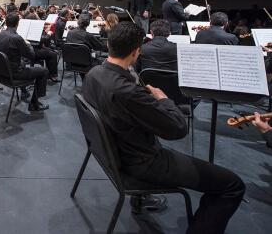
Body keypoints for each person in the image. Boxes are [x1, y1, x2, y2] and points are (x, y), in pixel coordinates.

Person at [83, 21, 244, 230]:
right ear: (135, 52)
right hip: (143, 161)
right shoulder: (128, 92)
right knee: (232, 185)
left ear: (108, 46)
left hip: (114, 152)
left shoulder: (94, 73)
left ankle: (142, 199)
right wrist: (163, 99)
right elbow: (177, 129)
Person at [0, 13, 49, 112]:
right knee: (44, 71)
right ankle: (34, 104)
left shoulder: (1, 34)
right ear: (17, 24)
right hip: (14, 74)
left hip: (1, 72)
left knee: (22, 62)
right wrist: (28, 44)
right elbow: (32, 56)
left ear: (6, 22)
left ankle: (24, 90)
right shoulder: (17, 38)